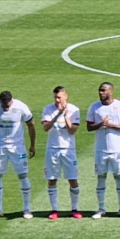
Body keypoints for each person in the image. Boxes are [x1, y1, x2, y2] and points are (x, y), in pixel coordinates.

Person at [0, 90, 36, 221]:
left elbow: (31, 124)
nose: (5, 107)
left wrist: (32, 145)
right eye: (3, 104)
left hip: (17, 147)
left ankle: (26, 209)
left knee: (23, 175)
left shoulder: (21, 107)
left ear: (11, 100)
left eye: (7, 104)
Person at [85, 82, 120, 219]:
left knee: (119, 177)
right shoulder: (94, 107)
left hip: (117, 149)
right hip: (100, 150)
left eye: (104, 90)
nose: (101, 93)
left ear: (111, 91)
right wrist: (101, 124)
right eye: (100, 90)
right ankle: (101, 209)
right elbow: (89, 127)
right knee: (101, 177)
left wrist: (110, 124)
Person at [42, 86, 82, 220]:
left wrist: (65, 117)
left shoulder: (74, 109)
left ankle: (74, 209)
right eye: (55, 97)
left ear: (66, 96)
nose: (57, 100)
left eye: (59, 97)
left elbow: (72, 130)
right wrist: (57, 116)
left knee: (72, 179)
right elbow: (46, 128)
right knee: (52, 179)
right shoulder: (48, 109)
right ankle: (54, 209)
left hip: (68, 149)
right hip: (52, 148)